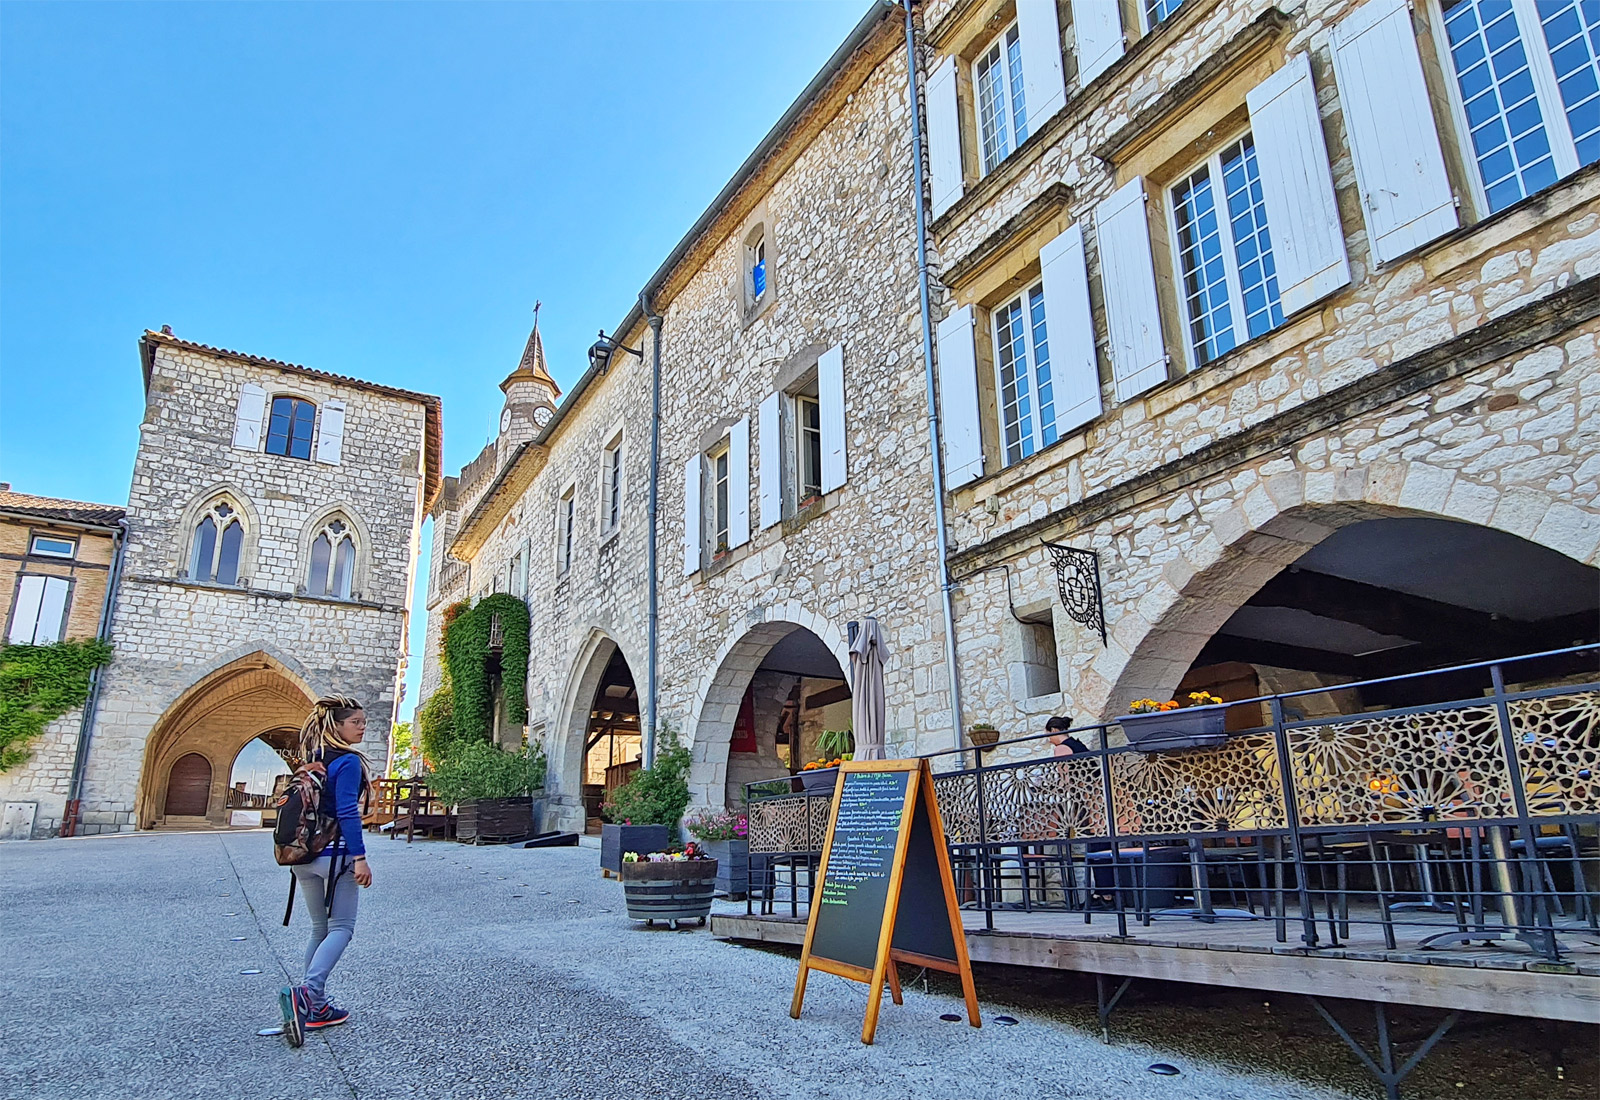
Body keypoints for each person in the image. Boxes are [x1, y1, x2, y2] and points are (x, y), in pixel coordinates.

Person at [285, 695, 372, 1036]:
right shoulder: (348, 762)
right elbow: (349, 811)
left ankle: (316, 1006)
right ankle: (307, 994)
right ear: (337, 726)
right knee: (342, 928)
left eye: (364, 721)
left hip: (303, 857)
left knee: (320, 930)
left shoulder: (313, 760)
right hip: (335, 856)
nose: (363, 727)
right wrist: (360, 857)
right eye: (356, 722)